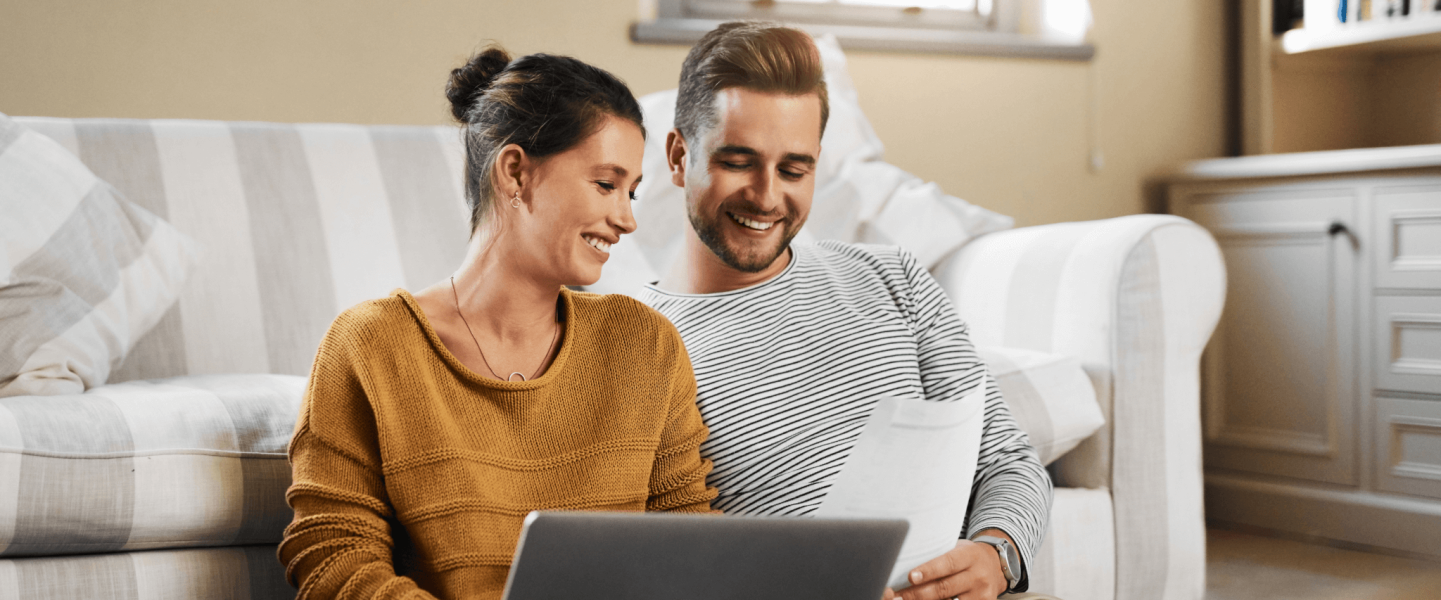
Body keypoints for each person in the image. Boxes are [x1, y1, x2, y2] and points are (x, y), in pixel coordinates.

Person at [280, 46, 718, 600]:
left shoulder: (645, 344)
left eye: (631, 193)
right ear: (515, 172)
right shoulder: (371, 346)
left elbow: (690, 542)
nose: (626, 219)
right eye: (606, 185)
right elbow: (332, 556)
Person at [638, 22, 1052, 600]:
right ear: (680, 156)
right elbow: (662, 557)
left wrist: (995, 552)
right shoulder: (635, 341)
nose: (766, 196)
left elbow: (1008, 460)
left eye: (793, 169)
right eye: (739, 161)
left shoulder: (894, 277)